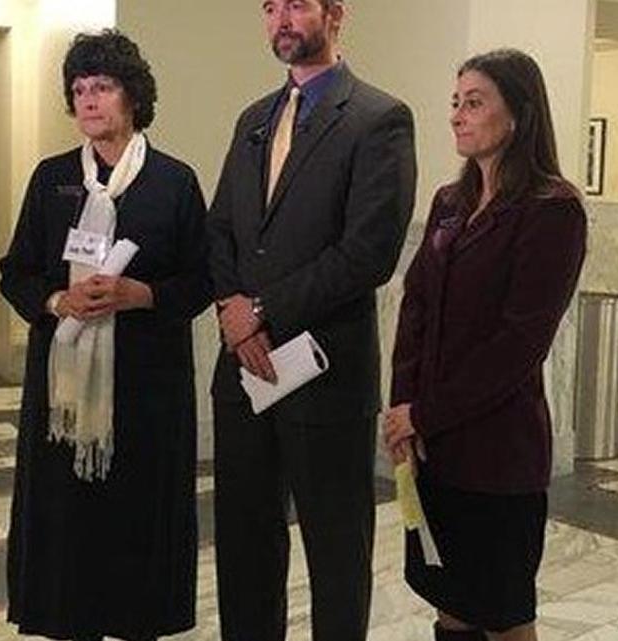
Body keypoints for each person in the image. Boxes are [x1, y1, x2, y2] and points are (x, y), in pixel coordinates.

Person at [206, 0, 417, 639]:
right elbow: (221, 230)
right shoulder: (254, 120)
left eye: (297, 4)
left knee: (336, 555)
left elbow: (368, 253)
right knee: (244, 546)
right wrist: (233, 313)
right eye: (270, 8)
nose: (281, 20)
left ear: (335, 14)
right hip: (245, 377)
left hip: (325, 376)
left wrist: (262, 311)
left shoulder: (380, 119)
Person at [0, 29, 209, 641]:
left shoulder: (173, 182)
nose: (89, 101)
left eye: (104, 87)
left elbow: (201, 278)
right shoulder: (51, 179)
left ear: (133, 97)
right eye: (79, 89)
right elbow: (16, 273)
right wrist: (57, 298)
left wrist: (141, 294)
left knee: (137, 523)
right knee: (69, 526)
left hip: (147, 391)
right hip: (64, 397)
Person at [383, 49, 588, 641]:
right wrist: (404, 415)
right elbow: (415, 307)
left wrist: (425, 412)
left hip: (499, 453)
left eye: (474, 103)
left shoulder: (552, 209)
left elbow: (518, 343)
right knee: (450, 601)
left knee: (502, 613)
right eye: (455, 102)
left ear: (518, 114)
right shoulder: (450, 202)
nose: (457, 116)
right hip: (433, 445)